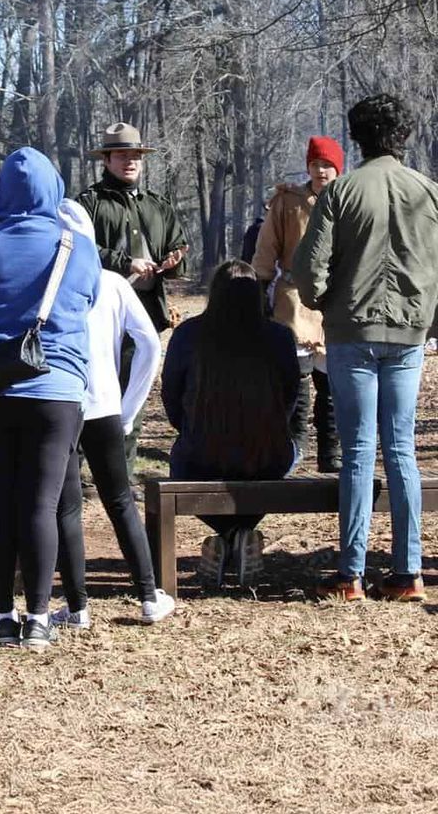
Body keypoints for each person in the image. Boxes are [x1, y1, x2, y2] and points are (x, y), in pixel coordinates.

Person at [293, 94, 438, 602]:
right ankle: (409, 573)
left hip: (352, 332)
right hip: (408, 334)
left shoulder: (341, 192)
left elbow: (307, 271)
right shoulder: (429, 192)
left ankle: (350, 574)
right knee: (402, 451)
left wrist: (326, 303)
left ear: (356, 138)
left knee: (357, 452)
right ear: (404, 136)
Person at [0, 147, 100, 652]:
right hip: (57, 389)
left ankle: (2, 616)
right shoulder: (77, 246)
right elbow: (88, 301)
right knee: (41, 504)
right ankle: (39, 618)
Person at [52, 199, 174, 628]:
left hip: (61, 403)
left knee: (65, 507)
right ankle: (147, 596)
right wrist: (129, 404)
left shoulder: (43, 282)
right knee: (120, 500)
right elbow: (151, 343)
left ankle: (78, 607)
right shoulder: (112, 283)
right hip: (106, 405)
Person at [161, 260, 301, 589]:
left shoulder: (188, 335)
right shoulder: (279, 337)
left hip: (200, 458)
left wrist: (192, 428)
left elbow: (171, 397)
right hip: (266, 459)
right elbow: (290, 400)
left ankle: (227, 537)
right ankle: (240, 535)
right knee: (290, 454)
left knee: (180, 461)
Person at [76, 123, 188, 485]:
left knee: (133, 398)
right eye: (122, 155)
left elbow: (179, 249)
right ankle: (72, 479)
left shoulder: (159, 206)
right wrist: (124, 262)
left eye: (136, 156)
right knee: (87, 394)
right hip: (98, 316)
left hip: (145, 315)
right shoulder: (88, 205)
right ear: (106, 159)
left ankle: (119, 480)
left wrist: (173, 260)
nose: (130, 162)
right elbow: (78, 251)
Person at [252, 136, 344, 473]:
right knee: (297, 380)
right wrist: (259, 286)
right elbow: (267, 247)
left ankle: (330, 451)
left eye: (327, 165)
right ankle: (295, 447)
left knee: (332, 382)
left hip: (337, 301)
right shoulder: (288, 201)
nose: (321, 171)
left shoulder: (348, 199)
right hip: (294, 298)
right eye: (316, 164)